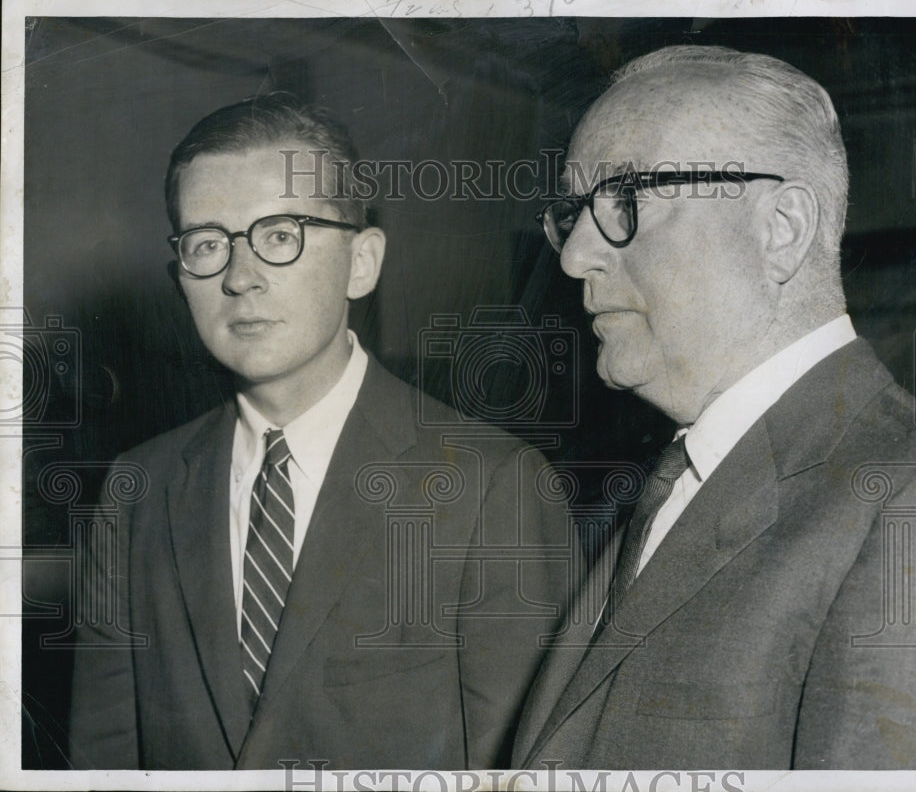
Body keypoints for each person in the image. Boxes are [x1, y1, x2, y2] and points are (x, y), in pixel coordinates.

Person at [68, 94, 567, 770]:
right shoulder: (136, 492)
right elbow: (101, 766)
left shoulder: (493, 488)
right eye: (207, 244)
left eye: (280, 235)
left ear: (362, 262)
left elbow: (530, 771)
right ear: (179, 277)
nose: (240, 278)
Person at [513, 45, 916, 770]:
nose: (573, 257)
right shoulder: (674, 481)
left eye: (626, 199)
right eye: (573, 213)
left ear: (781, 228)